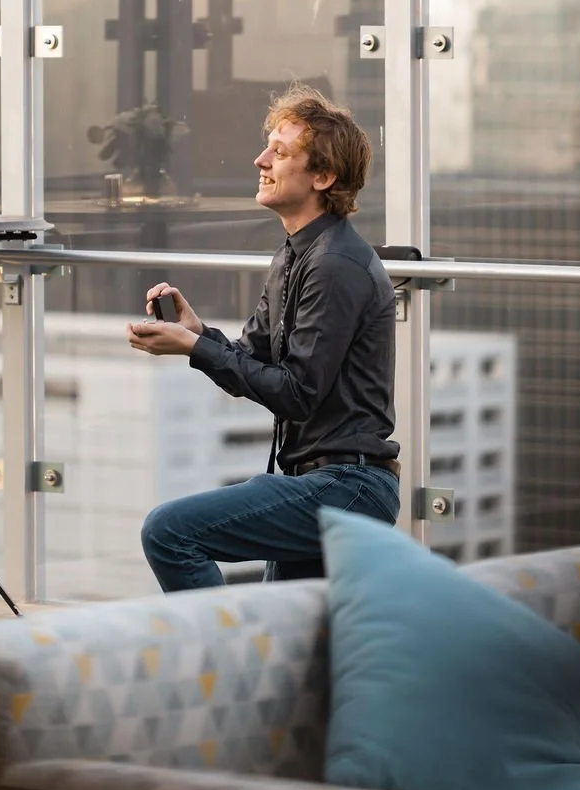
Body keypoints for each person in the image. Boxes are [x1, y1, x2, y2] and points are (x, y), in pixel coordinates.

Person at [128, 86, 399, 591]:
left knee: (169, 532)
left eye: (281, 151)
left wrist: (195, 349)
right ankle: (251, 665)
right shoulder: (297, 255)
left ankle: (228, 665)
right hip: (318, 482)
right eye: (267, 146)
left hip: (347, 487)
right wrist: (198, 333)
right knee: (299, 641)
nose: (260, 159)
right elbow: (253, 360)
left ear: (322, 176)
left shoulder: (336, 265)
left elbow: (296, 392)